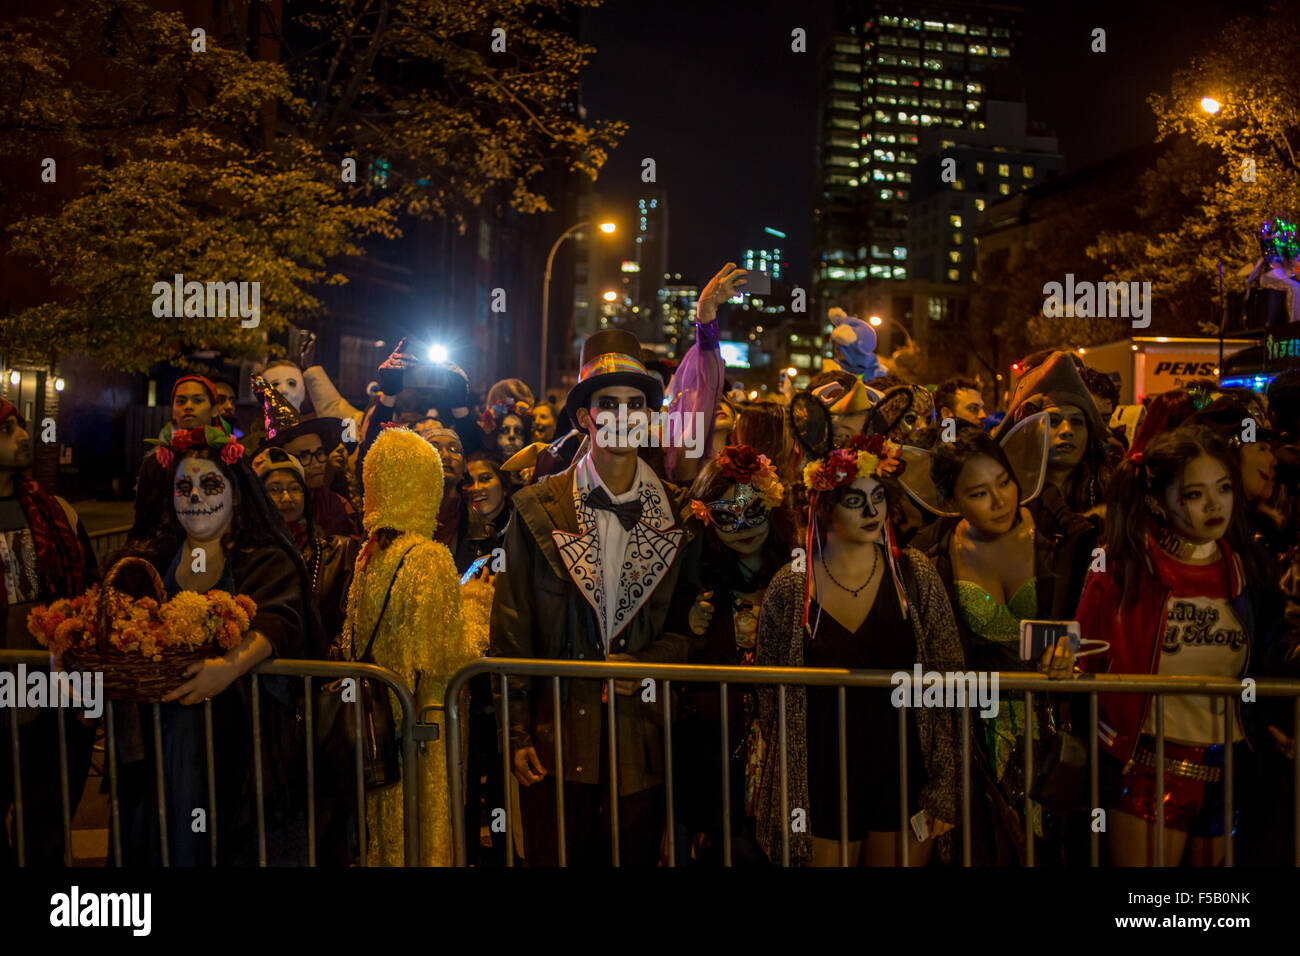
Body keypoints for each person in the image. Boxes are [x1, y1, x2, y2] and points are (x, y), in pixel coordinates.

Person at [490, 327, 697, 867]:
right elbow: (511, 628)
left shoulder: (679, 514)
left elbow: (689, 629)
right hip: (557, 742)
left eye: (637, 404)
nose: (625, 416)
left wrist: (648, 662)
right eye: (609, 403)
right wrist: (515, 735)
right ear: (585, 416)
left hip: (641, 745)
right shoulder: (536, 508)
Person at [753, 407, 963, 867]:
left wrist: (946, 783)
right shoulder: (792, 586)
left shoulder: (915, 574)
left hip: (903, 767)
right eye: (854, 500)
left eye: (878, 497)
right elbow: (768, 693)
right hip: (822, 773)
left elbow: (950, 678)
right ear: (825, 508)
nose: (872, 511)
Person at [1077, 425, 1279, 866]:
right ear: (1157, 499)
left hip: (1227, 761)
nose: (1214, 505)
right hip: (1149, 760)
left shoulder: (1247, 567)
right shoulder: (1121, 564)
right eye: (1194, 494)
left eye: (1223, 488)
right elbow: (1082, 649)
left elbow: (1264, 655)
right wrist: (1060, 661)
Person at [114, 427, 315, 865]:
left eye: (210, 485)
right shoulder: (150, 557)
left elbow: (280, 618)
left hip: (240, 742)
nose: (196, 497)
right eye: (183, 487)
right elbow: (109, 619)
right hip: (160, 740)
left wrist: (227, 669)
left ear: (236, 494)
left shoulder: (262, 557)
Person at [906, 418, 1086, 863]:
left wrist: (1074, 649)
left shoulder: (1061, 537)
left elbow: (1094, 620)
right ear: (949, 501)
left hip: (1053, 726)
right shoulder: (932, 555)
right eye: (978, 493)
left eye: (1003, 482)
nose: (1000, 500)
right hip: (976, 733)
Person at [342, 426, 479, 866]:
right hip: (423, 729)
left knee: (386, 836)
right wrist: (477, 607)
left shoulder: (369, 555)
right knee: (424, 836)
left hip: (379, 730)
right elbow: (447, 654)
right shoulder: (428, 556)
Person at [672, 445, 793, 864]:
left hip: (784, 733)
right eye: (726, 515)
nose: (742, 525)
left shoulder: (800, 569)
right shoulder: (696, 572)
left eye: (753, 510)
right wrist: (686, 616)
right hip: (715, 738)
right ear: (707, 517)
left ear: (772, 505)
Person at [0, 399, 99, 866]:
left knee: (46, 819)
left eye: (21, 425)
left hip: (52, 689)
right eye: (8, 429)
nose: (23, 436)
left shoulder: (55, 511)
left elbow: (90, 595)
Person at [997, 351, 1110, 516]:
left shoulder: (1110, 494)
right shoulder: (1004, 498)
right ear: (1029, 429)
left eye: (1077, 422)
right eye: (1054, 421)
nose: (1067, 431)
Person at [253, 374, 358, 539]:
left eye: (320, 453)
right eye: (303, 457)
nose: (317, 463)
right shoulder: (263, 510)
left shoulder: (335, 505)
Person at [128, 375, 220, 542]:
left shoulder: (228, 457)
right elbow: (143, 518)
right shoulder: (156, 462)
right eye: (181, 401)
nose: (188, 407)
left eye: (198, 400)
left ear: (214, 409)